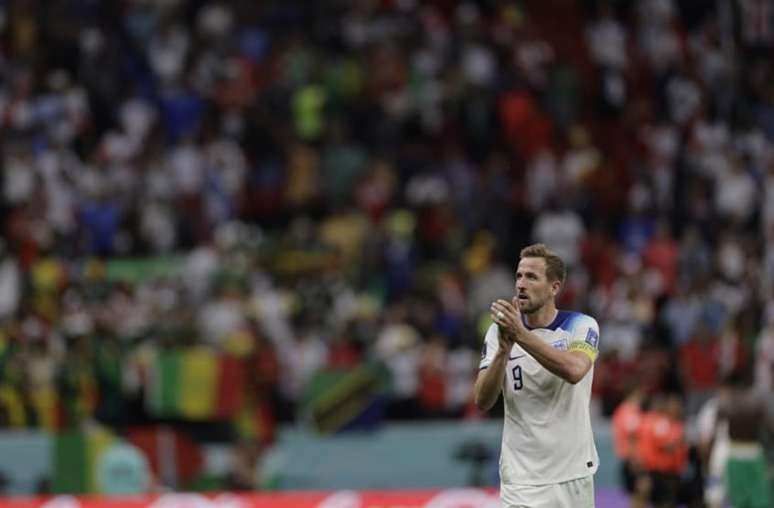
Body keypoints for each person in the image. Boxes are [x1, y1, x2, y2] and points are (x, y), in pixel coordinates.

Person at [474, 243, 600, 507]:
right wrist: (502, 353)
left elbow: (574, 370)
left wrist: (521, 335)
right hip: (521, 479)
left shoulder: (581, 325)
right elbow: (483, 400)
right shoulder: (499, 333)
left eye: (531, 277)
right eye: (519, 276)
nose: (521, 284)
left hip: (572, 474)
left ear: (554, 287)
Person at [717, 370, 774, 508]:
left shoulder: (725, 405)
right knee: (760, 501)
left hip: (734, 454)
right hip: (753, 453)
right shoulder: (757, 403)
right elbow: (771, 429)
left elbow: (714, 433)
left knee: (738, 502)